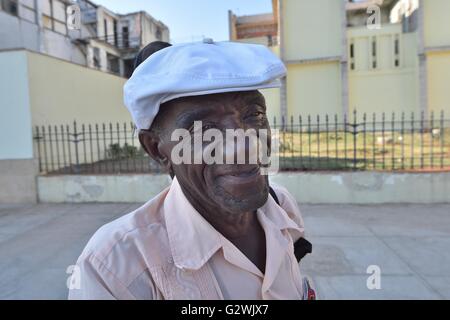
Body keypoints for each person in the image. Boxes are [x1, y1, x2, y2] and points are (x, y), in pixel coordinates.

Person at [68, 39, 314, 300]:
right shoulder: (114, 268)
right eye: (204, 130)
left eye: (254, 115)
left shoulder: (282, 207)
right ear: (156, 149)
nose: (245, 144)